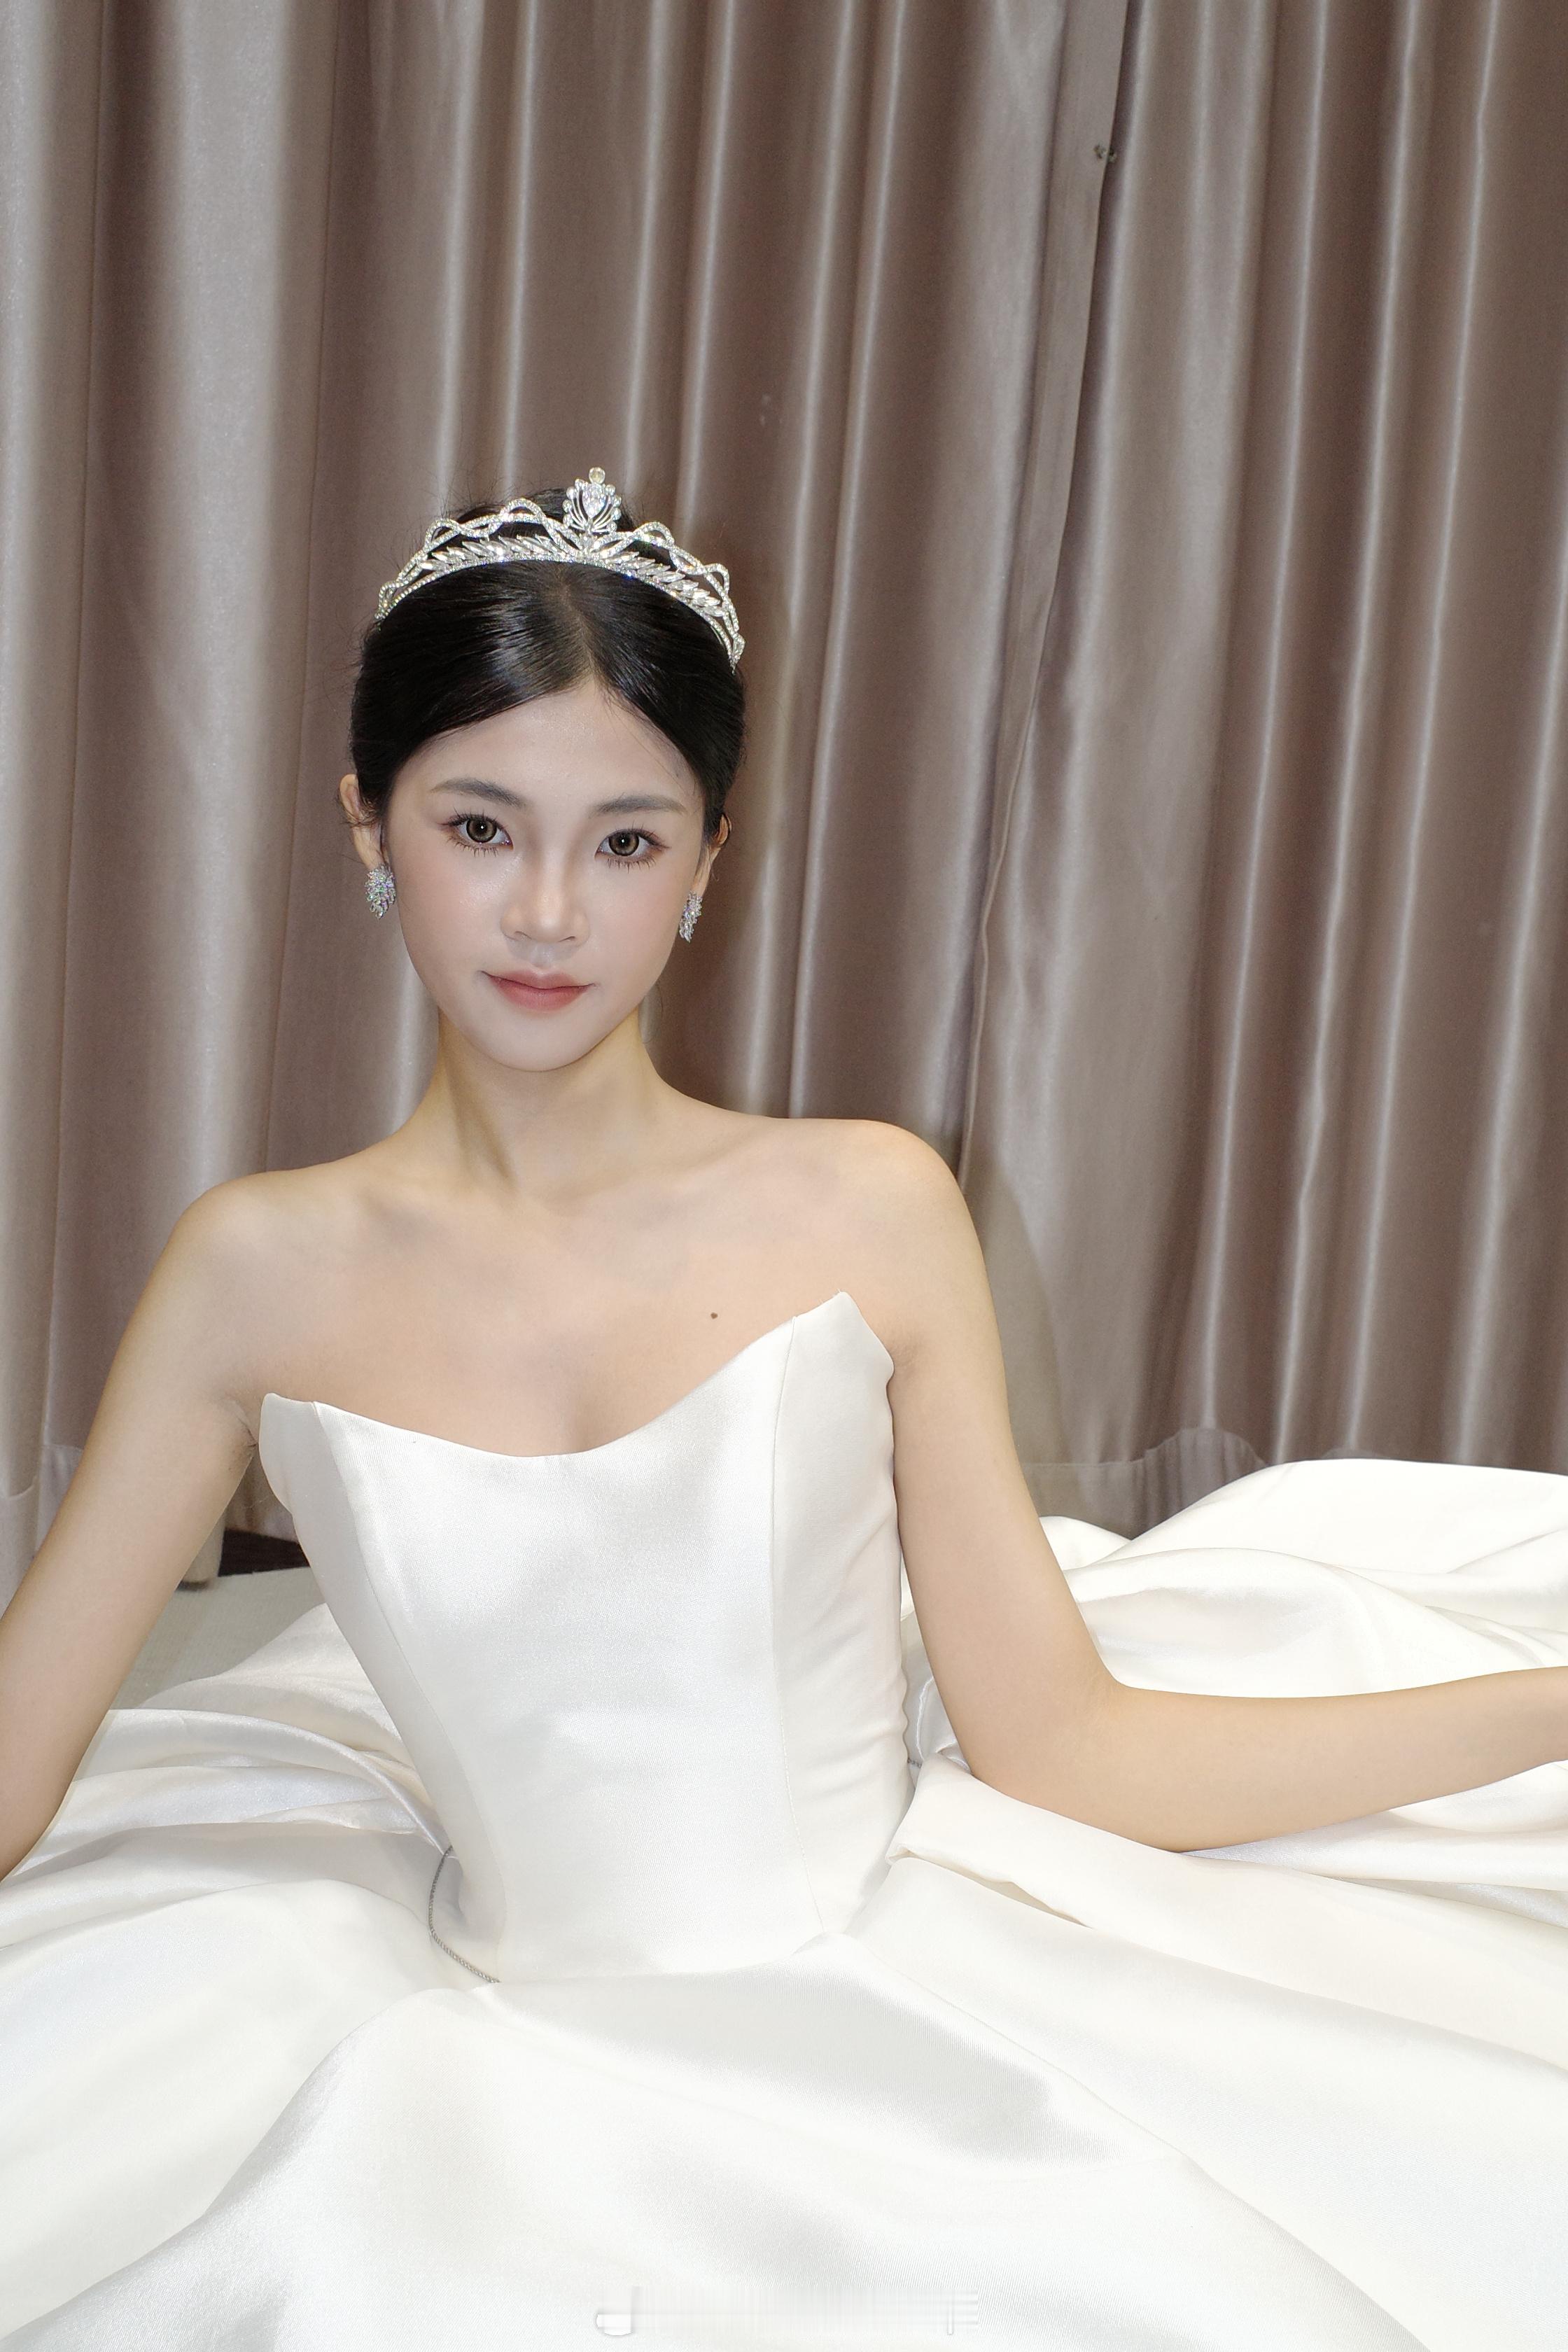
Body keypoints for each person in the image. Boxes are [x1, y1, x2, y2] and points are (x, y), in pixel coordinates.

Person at [1, 471, 1567, 2351]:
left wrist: (1551, 1707)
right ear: (368, 824)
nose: (550, 911)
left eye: (628, 841)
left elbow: (1067, 1745)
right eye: (481, 826)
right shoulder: (252, 1271)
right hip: (474, 2064)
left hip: (903, 2025)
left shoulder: (868, 1205)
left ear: (709, 862)